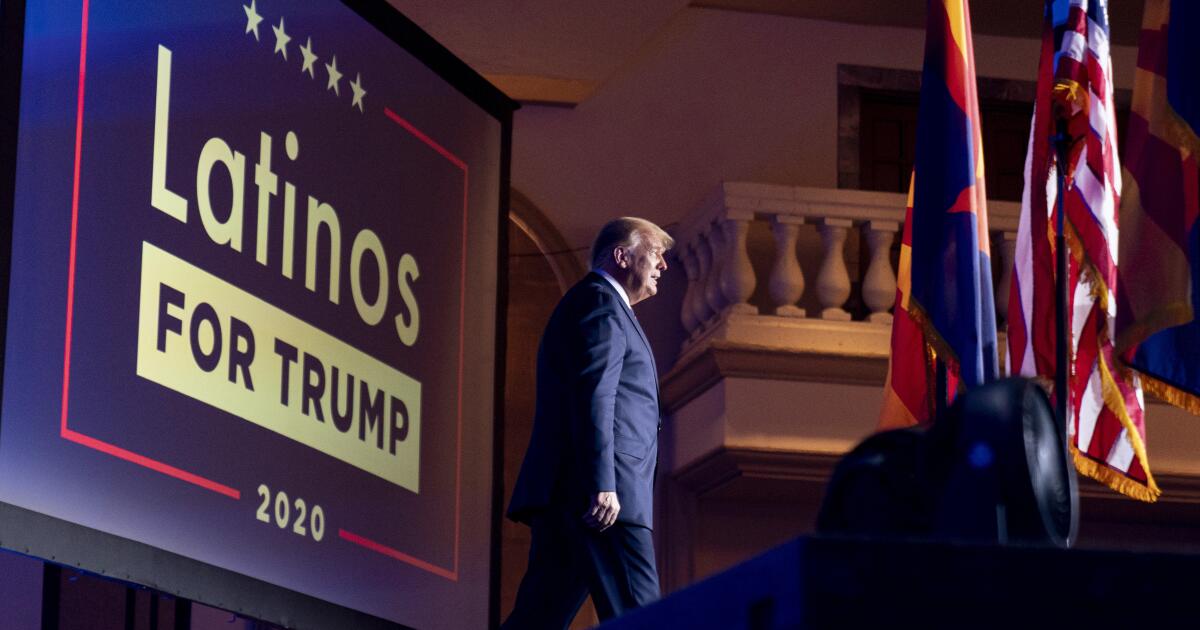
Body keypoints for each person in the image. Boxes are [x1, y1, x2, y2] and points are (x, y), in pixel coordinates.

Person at [502, 217, 673, 628]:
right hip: (603, 498)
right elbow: (594, 395)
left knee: (536, 620)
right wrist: (604, 484)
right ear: (621, 256)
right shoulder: (599, 303)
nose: (663, 265)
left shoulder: (597, 303)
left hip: (575, 497)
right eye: (655, 253)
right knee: (642, 616)